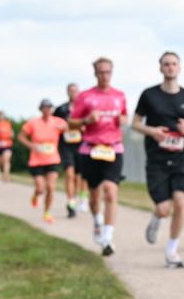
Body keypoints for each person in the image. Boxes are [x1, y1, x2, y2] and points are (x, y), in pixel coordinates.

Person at [132, 51, 184, 268]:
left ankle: (172, 251)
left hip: (182, 159)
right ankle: (157, 218)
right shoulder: (149, 95)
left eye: (174, 64)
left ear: (179, 67)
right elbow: (135, 123)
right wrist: (152, 131)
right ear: (160, 67)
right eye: (166, 64)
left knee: (181, 201)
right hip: (157, 159)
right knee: (164, 208)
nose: (170, 67)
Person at [70, 56, 128, 256]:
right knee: (94, 195)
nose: (105, 75)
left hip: (113, 148)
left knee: (111, 191)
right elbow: (72, 123)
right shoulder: (85, 96)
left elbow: (125, 116)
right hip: (91, 148)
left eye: (108, 72)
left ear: (112, 73)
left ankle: (108, 238)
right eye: (101, 72)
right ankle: (97, 220)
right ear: (95, 73)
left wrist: (123, 119)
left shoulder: (120, 95)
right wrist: (87, 119)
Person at [19, 99, 69, 224]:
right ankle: (36, 195)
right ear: (41, 109)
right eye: (45, 107)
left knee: (51, 188)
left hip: (52, 159)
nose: (47, 110)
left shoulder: (57, 122)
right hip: (36, 160)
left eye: (49, 107)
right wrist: (31, 145)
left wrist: (65, 127)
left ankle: (47, 212)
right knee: (41, 188)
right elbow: (21, 136)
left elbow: (69, 128)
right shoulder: (33, 123)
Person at [54, 83, 89, 218]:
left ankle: (83, 196)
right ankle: (71, 201)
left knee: (81, 176)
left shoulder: (85, 109)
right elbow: (54, 125)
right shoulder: (61, 109)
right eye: (70, 91)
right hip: (66, 145)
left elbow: (90, 124)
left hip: (81, 144)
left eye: (75, 91)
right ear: (67, 92)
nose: (73, 93)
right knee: (69, 174)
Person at [0, 112, 15, 182]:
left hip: (7, 145)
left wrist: (11, 134)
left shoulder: (8, 124)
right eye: (0, 116)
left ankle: (6, 176)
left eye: (2, 116)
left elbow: (12, 133)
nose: (1, 117)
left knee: (6, 160)